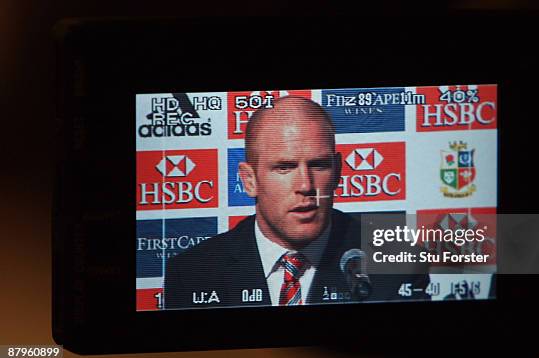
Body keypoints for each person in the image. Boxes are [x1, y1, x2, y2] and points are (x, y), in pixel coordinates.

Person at [164, 96, 429, 309]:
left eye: (319, 165)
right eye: (284, 167)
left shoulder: (398, 261)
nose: (305, 185)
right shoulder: (192, 271)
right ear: (249, 180)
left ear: (337, 172)